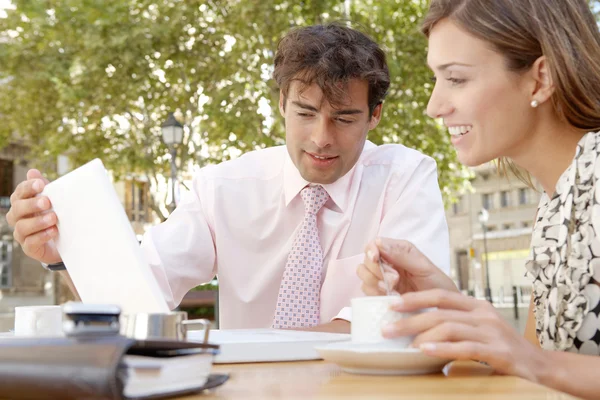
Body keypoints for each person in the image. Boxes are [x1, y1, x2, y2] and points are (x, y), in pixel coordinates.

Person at [7, 24, 450, 332]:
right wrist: (63, 255)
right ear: (282, 103)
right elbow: (136, 294)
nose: (321, 138)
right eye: (306, 113)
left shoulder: (405, 178)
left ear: (375, 116)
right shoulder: (224, 187)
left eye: (344, 118)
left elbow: (413, 310)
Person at [357, 0, 600, 398]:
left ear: (540, 79)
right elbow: (533, 376)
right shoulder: (554, 203)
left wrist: (533, 361)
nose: (434, 107)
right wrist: (447, 306)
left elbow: (538, 365)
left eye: (456, 78)